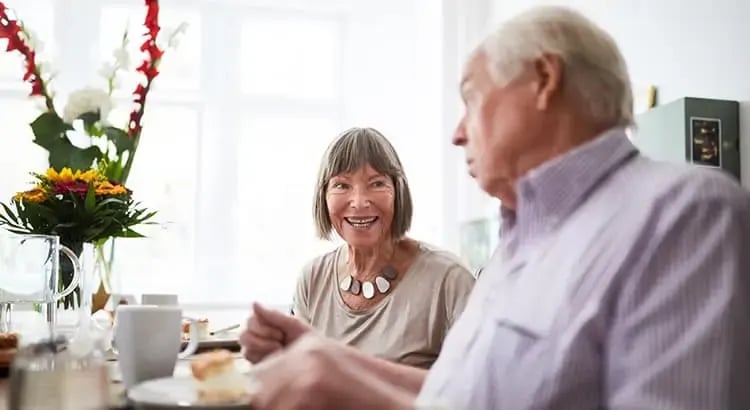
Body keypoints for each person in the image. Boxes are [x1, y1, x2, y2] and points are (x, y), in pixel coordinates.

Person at [243, 6, 750, 409]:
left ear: (544, 79)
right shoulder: (519, 243)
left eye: (471, 98)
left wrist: (358, 392)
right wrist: (321, 354)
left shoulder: (686, 215)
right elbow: (459, 398)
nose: (458, 132)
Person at [240, 127, 475, 369]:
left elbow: (476, 389)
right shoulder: (313, 278)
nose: (360, 202)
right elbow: (297, 375)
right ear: (324, 197)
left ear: (398, 192)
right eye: (342, 185)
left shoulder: (448, 278)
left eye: (377, 183)